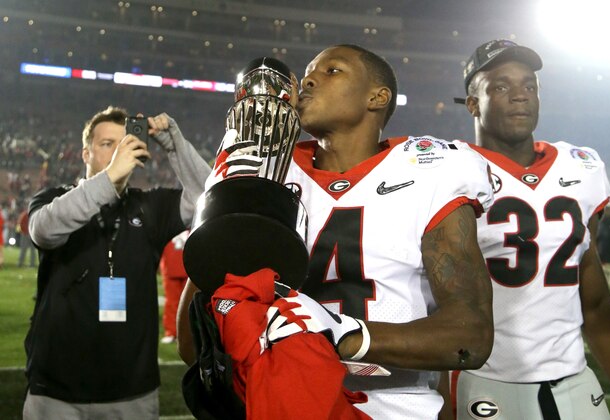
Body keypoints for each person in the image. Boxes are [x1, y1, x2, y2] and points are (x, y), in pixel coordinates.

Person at [178, 44, 495, 419]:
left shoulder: (431, 169)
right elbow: (191, 342)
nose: (308, 79)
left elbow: (470, 336)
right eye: (309, 71)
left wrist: (343, 333)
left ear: (377, 98)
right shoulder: (269, 171)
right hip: (288, 404)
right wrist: (234, 196)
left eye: (333, 71)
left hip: (397, 410)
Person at [451, 39, 610, 419]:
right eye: (500, 86)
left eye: (529, 86)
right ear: (472, 103)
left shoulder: (580, 168)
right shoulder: (446, 170)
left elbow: (594, 302)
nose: (520, 96)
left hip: (574, 380)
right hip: (484, 378)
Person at [23, 106, 210, 419]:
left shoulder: (149, 207)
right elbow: (43, 231)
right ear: (86, 154)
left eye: (125, 142)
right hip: (56, 391)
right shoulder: (54, 197)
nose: (118, 150)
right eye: (107, 144)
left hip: (132, 392)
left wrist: (175, 144)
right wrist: (110, 177)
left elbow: (209, 198)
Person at [159, 229, 189, 344]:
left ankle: (189, 333)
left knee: (189, 303)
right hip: (171, 265)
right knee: (172, 301)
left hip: (188, 266)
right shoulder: (167, 222)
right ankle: (172, 332)